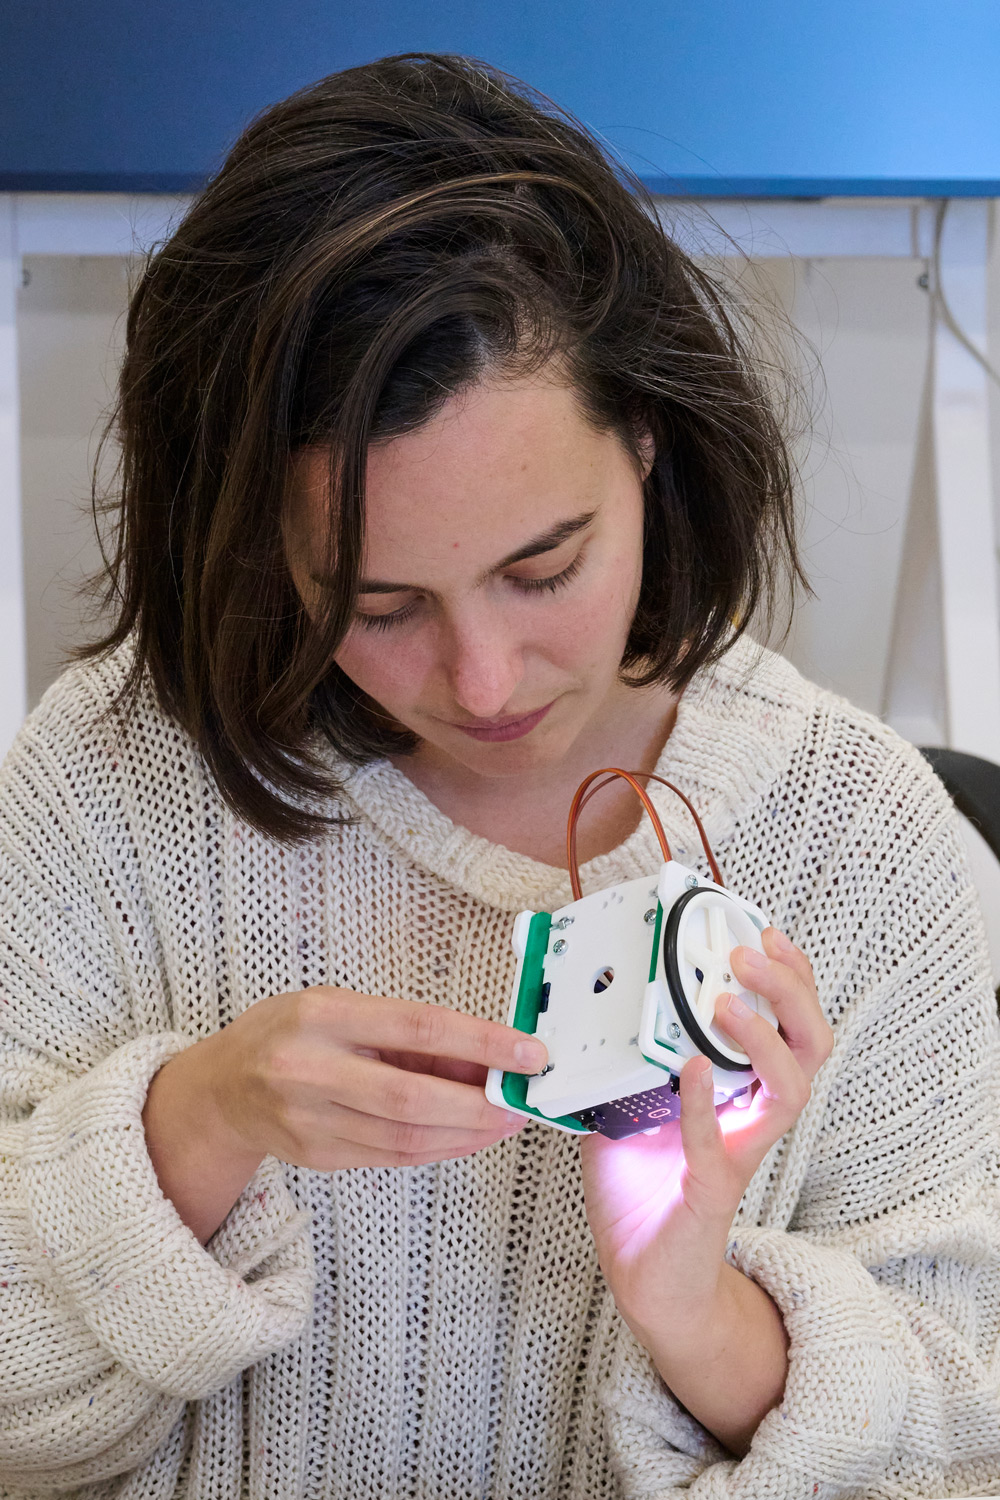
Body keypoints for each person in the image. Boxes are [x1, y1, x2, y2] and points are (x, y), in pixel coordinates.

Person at [0, 51, 998, 1500]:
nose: (482, 681)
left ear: (647, 440)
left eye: (545, 569)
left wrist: (700, 1312)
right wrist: (195, 1127)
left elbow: (964, 1440)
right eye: (379, 603)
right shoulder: (108, 781)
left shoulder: (866, 844)